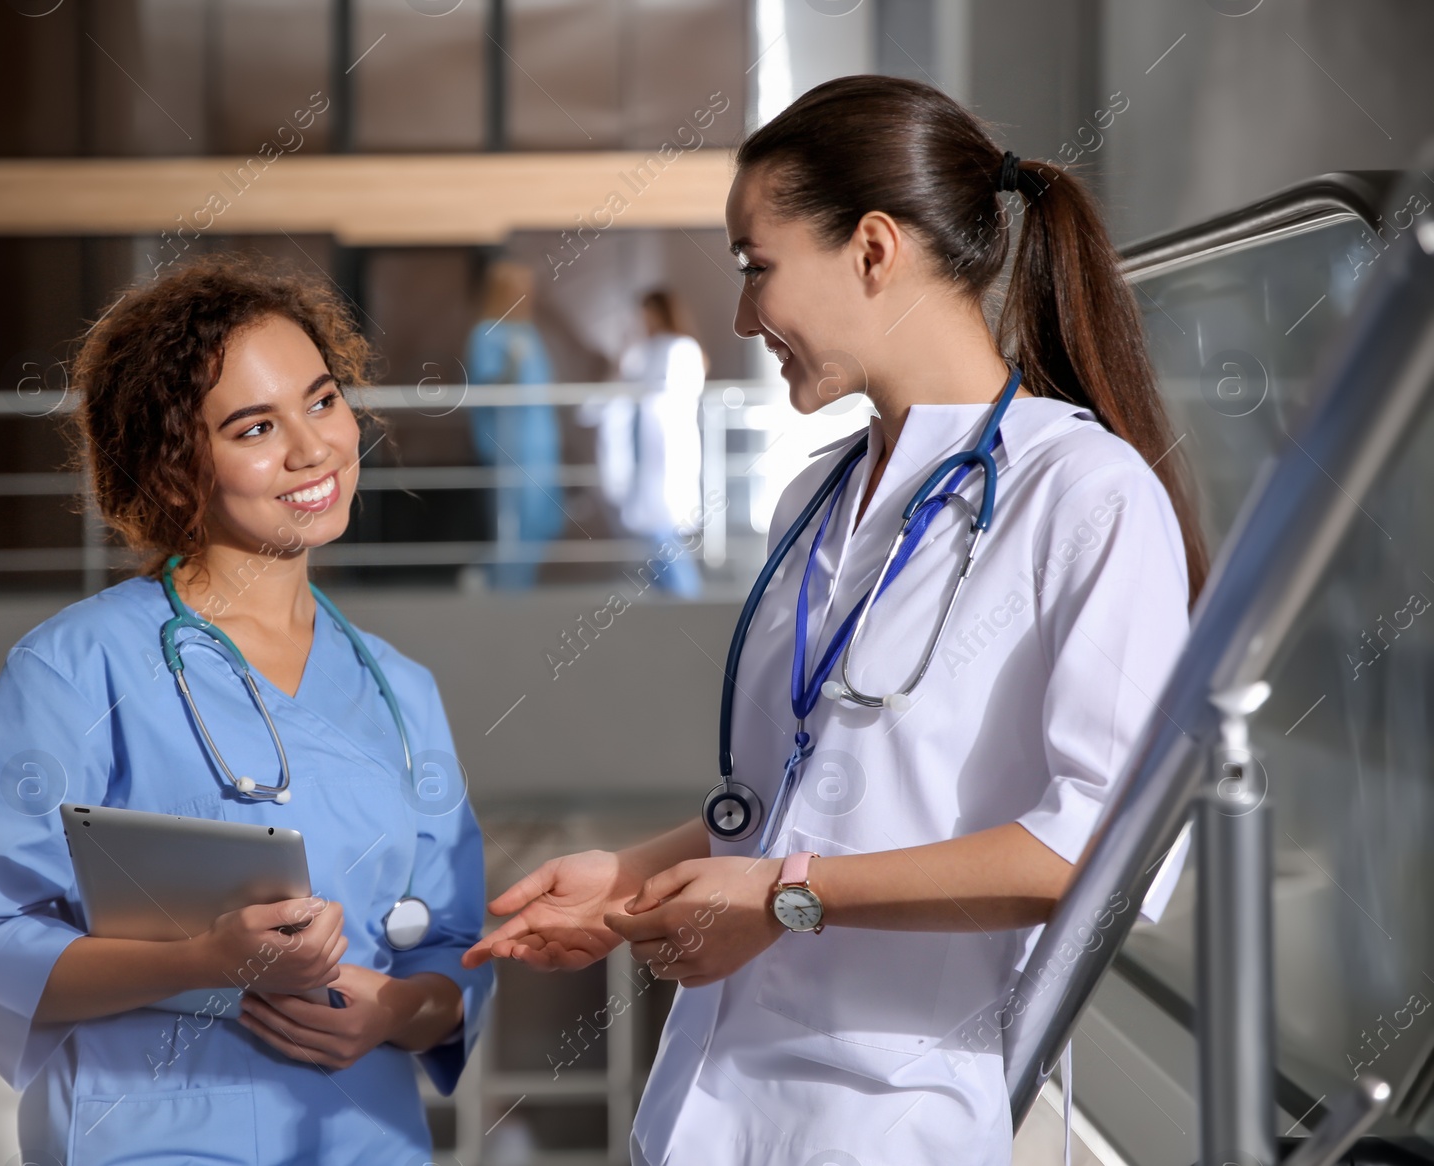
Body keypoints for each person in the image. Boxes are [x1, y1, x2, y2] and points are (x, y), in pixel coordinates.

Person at [462, 75, 1207, 1166]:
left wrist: (785, 895)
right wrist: (628, 875)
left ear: (871, 248)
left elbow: (1104, 846)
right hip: (703, 1110)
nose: (740, 316)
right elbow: (798, 796)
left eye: (754, 269)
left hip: (889, 1113)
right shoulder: (813, 495)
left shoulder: (1084, 494)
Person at [0, 254, 495, 1165]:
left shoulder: (399, 689)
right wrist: (201, 964)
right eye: (255, 427)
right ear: (174, 467)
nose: (312, 450)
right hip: (149, 1140)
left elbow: (455, 949)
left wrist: (396, 1010)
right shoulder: (79, 666)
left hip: (364, 1137)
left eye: (323, 400)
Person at [580, 289, 708, 597]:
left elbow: (666, 396)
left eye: (647, 313)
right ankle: (676, 602)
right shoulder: (641, 352)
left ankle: (688, 599)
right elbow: (599, 404)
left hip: (668, 454)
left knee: (662, 534)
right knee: (654, 539)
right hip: (642, 455)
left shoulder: (681, 348)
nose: (642, 320)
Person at [464, 259, 565, 589]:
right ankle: (505, 586)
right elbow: (490, 388)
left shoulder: (528, 332)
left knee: (542, 518)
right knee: (514, 520)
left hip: (540, 441)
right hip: (509, 444)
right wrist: (511, 363)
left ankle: (516, 584)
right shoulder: (486, 334)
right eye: (518, 290)